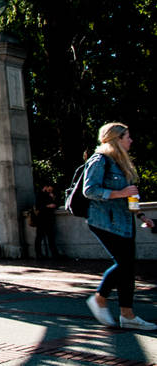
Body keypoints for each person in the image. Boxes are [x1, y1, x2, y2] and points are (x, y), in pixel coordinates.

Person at [82, 122, 156, 330]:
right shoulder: (99, 160)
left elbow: (129, 196)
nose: (131, 140)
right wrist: (119, 193)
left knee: (128, 267)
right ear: (116, 139)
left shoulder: (122, 164)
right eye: (127, 136)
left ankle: (127, 315)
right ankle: (100, 298)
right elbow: (89, 190)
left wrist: (141, 215)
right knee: (124, 264)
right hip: (104, 222)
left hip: (124, 221)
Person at [34, 183, 58, 259]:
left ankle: (54, 254)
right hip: (41, 219)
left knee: (50, 236)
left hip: (48, 218)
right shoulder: (39, 194)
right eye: (49, 189)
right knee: (39, 237)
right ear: (46, 187)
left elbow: (55, 204)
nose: (50, 191)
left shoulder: (49, 195)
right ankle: (39, 254)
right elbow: (38, 206)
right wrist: (47, 206)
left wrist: (53, 198)